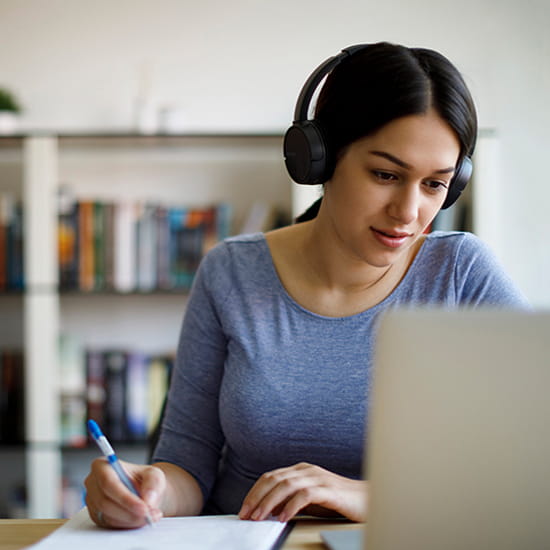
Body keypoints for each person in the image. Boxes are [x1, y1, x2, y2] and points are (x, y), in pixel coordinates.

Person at [84, 42, 529, 529]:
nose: (408, 213)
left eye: (434, 185)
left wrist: (371, 496)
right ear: (319, 158)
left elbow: (525, 463)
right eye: (385, 174)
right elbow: (186, 466)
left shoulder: (461, 275)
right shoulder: (230, 273)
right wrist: (145, 490)